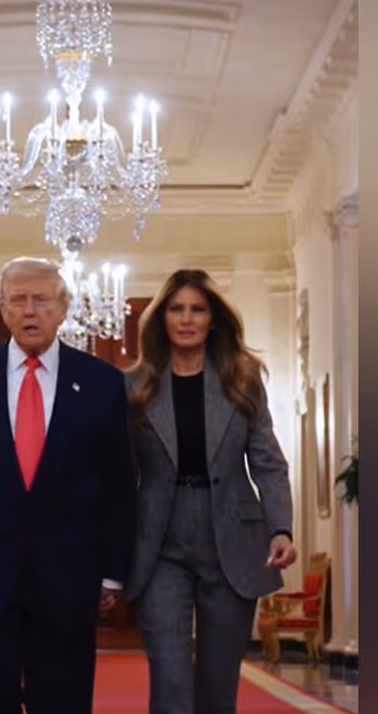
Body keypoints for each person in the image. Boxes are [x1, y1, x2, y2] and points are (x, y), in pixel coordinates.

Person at [0, 256, 137, 714]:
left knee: (62, 701)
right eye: (19, 300)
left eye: (41, 300)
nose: (30, 310)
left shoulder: (103, 383)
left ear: (63, 309)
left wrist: (114, 569)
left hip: (69, 577)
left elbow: (119, 485)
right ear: (2, 307)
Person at [124, 269, 297, 714]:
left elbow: (268, 461)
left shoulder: (243, 378)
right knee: (170, 681)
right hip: (159, 542)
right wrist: (108, 556)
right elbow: (120, 477)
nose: (186, 319)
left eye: (197, 309)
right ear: (161, 318)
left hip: (233, 538)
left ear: (213, 318)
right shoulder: (133, 386)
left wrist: (281, 528)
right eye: (176, 309)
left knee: (218, 689)